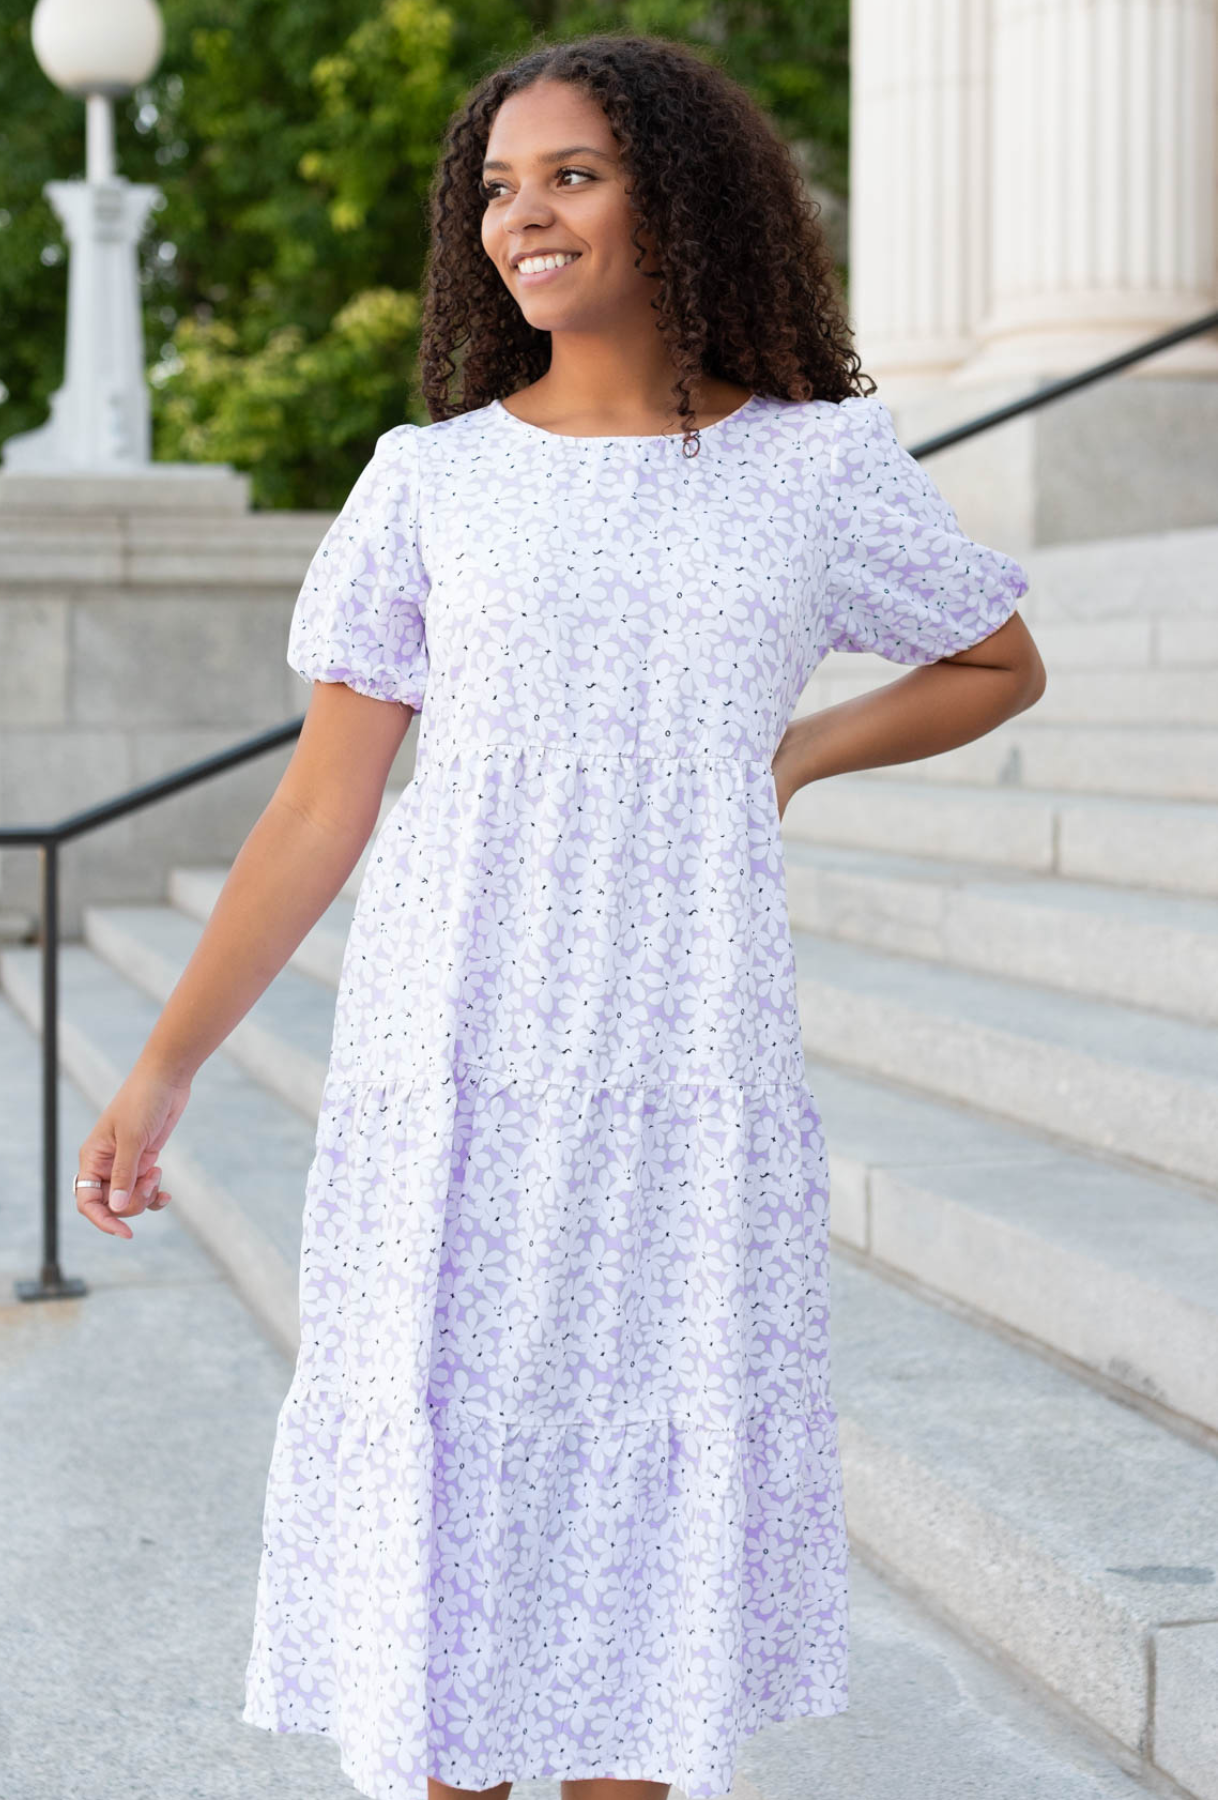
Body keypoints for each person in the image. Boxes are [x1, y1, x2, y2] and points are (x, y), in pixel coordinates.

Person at [73, 30, 1046, 1800]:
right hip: (448, 1052)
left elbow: (995, 659)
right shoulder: (429, 479)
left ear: (674, 199)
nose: (523, 215)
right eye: (498, 188)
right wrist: (163, 1068)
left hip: (683, 1052)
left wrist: (800, 752)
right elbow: (319, 805)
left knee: (639, 1489)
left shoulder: (815, 470)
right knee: (446, 1513)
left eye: (570, 174)